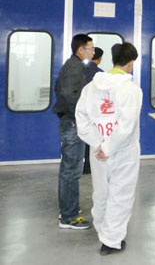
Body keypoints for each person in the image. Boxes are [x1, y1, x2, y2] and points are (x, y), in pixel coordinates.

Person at [75, 42, 142, 255]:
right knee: (120, 195)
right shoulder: (130, 89)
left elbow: (81, 119)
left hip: (98, 152)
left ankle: (103, 230)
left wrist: (98, 144)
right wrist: (108, 147)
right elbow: (126, 126)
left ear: (113, 60)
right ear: (131, 62)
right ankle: (111, 240)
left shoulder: (91, 87)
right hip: (123, 151)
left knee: (101, 192)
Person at [53, 33, 94, 230]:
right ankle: (68, 217)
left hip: (71, 121)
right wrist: (81, 117)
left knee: (70, 169)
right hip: (72, 124)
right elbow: (69, 96)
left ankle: (69, 209)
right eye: (91, 48)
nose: (93, 52)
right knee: (71, 170)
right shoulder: (73, 68)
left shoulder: (75, 66)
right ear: (80, 49)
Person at [83, 47, 104, 175]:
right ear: (100, 58)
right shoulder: (100, 74)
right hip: (95, 111)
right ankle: (89, 165)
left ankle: (81, 164)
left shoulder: (80, 70)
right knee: (93, 139)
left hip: (81, 110)